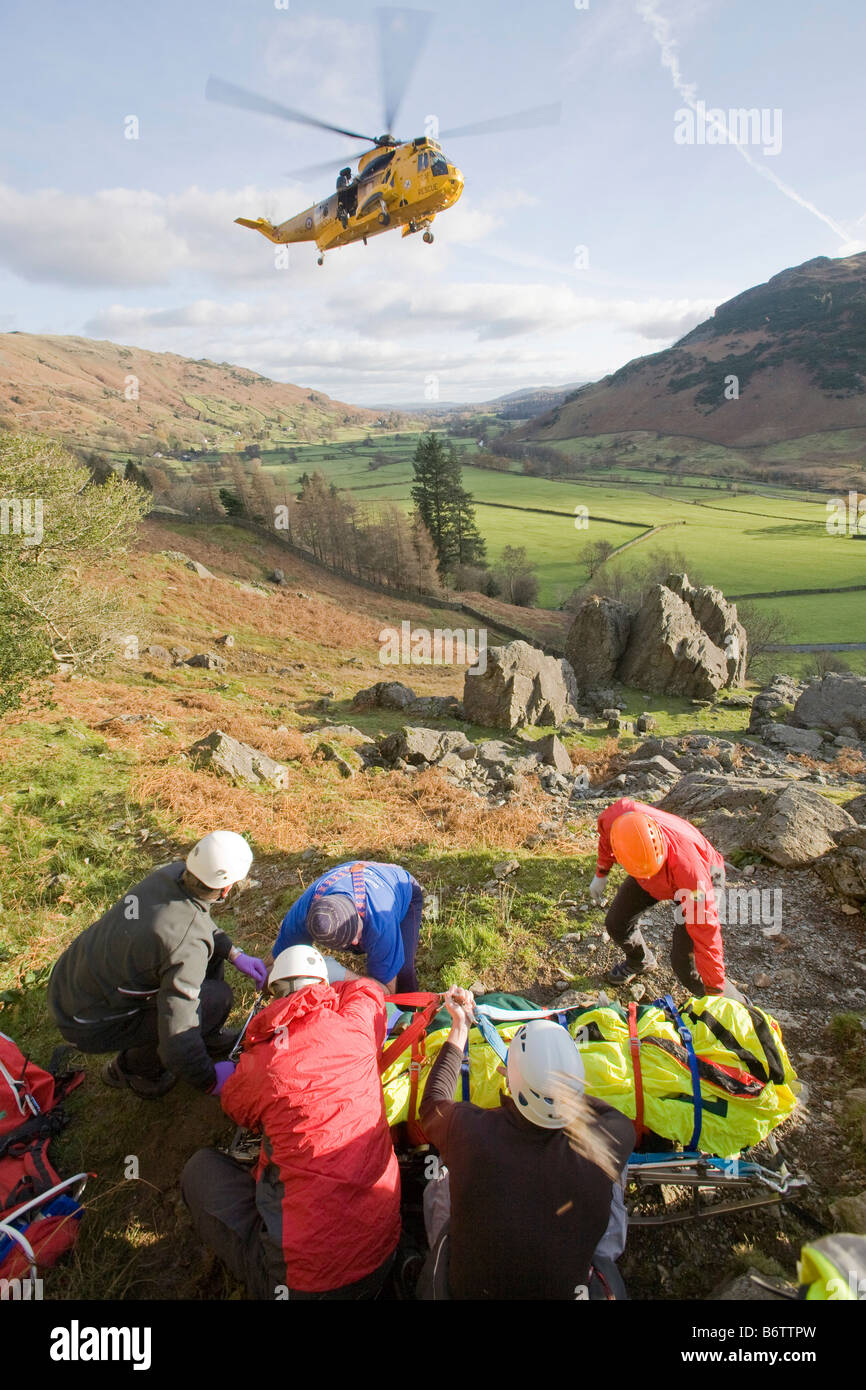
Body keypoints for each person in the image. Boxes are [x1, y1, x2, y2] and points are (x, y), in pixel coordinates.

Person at [181, 944, 401, 1300]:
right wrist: (337, 979)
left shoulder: (263, 1062)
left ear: (275, 994)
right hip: (383, 1252)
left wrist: (240, 1074)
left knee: (199, 1170)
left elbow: (237, 1108)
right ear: (323, 984)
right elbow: (371, 990)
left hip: (302, 1285)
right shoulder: (358, 1029)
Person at [417, 986, 634, 1300]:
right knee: (615, 1176)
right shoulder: (612, 1139)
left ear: (508, 1079)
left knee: (441, 1175)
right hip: (566, 1291)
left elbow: (433, 1103)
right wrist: (560, 1090)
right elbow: (610, 1115)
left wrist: (460, 1026)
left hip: (468, 1292)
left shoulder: (470, 1131)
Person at [47, 831, 267, 1099]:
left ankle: (206, 1035)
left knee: (208, 969)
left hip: (70, 980)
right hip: (84, 1019)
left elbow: (193, 921)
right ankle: (134, 1069)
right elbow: (178, 1036)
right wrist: (209, 1081)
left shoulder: (172, 875)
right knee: (215, 1000)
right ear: (227, 887)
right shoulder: (186, 945)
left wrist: (233, 952)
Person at [589, 798, 742, 998]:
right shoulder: (617, 820)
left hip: (700, 875)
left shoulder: (691, 872)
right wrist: (601, 872)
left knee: (686, 966)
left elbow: (706, 932)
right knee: (617, 923)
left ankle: (738, 1011)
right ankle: (641, 961)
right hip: (648, 871)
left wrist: (716, 989)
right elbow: (606, 842)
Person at [272, 860, 423, 993]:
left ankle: (408, 1016)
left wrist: (341, 975)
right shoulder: (302, 914)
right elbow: (278, 960)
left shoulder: (381, 922)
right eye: (349, 942)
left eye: (356, 935)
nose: (356, 943)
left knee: (403, 970)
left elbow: (386, 991)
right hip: (350, 879)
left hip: (403, 889)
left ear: (358, 913)